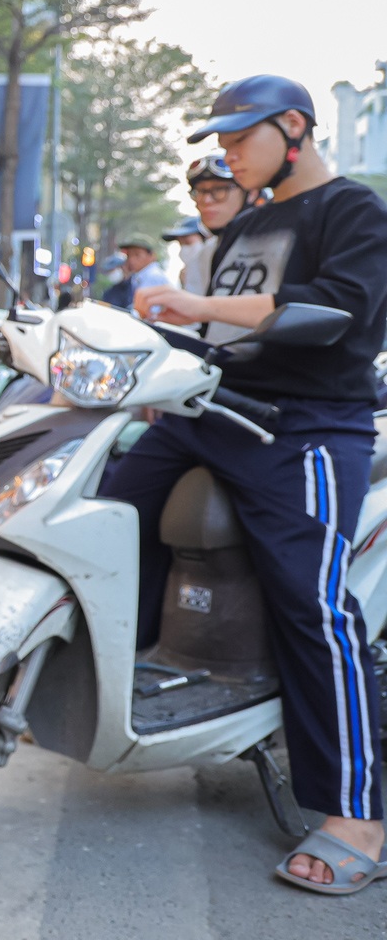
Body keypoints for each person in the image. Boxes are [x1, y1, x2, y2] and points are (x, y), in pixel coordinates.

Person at [113, 74, 387, 894]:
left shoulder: (355, 213)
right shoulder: (252, 221)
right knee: (112, 512)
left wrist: (193, 301)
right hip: (215, 412)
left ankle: (356, 816)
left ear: (293, 128)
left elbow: (336, 311)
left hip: (304, 427)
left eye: (239, 138)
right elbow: (215, 337)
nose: (226, 154)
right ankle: (144, 674)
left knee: (315, 602)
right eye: (222, 141)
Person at [173, 153, 253, 298]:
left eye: (219, 190)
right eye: (200, 191)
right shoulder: (205, 255)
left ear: (250, 193)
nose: (206, 200)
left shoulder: (276, 243)